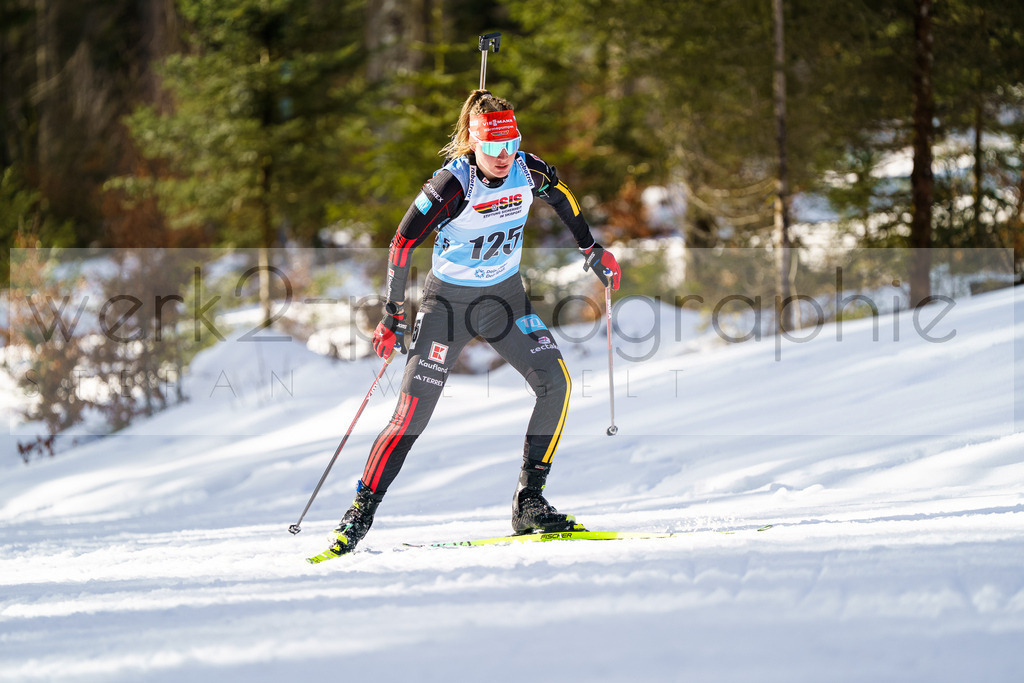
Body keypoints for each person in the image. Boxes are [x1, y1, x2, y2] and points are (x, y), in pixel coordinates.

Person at [323, 89, 621, 558]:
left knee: (555, 382)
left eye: (511, 145)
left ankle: (529, 502)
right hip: (448, 307)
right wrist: (392, 313)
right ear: (472, 143)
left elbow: (563, 198)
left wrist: (591, 248)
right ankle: (358, 514)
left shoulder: (528, 169)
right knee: (411, 415)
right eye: (493, 148)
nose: (503, 157)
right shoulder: (451, 186)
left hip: (504, 300)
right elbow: (401, 244)